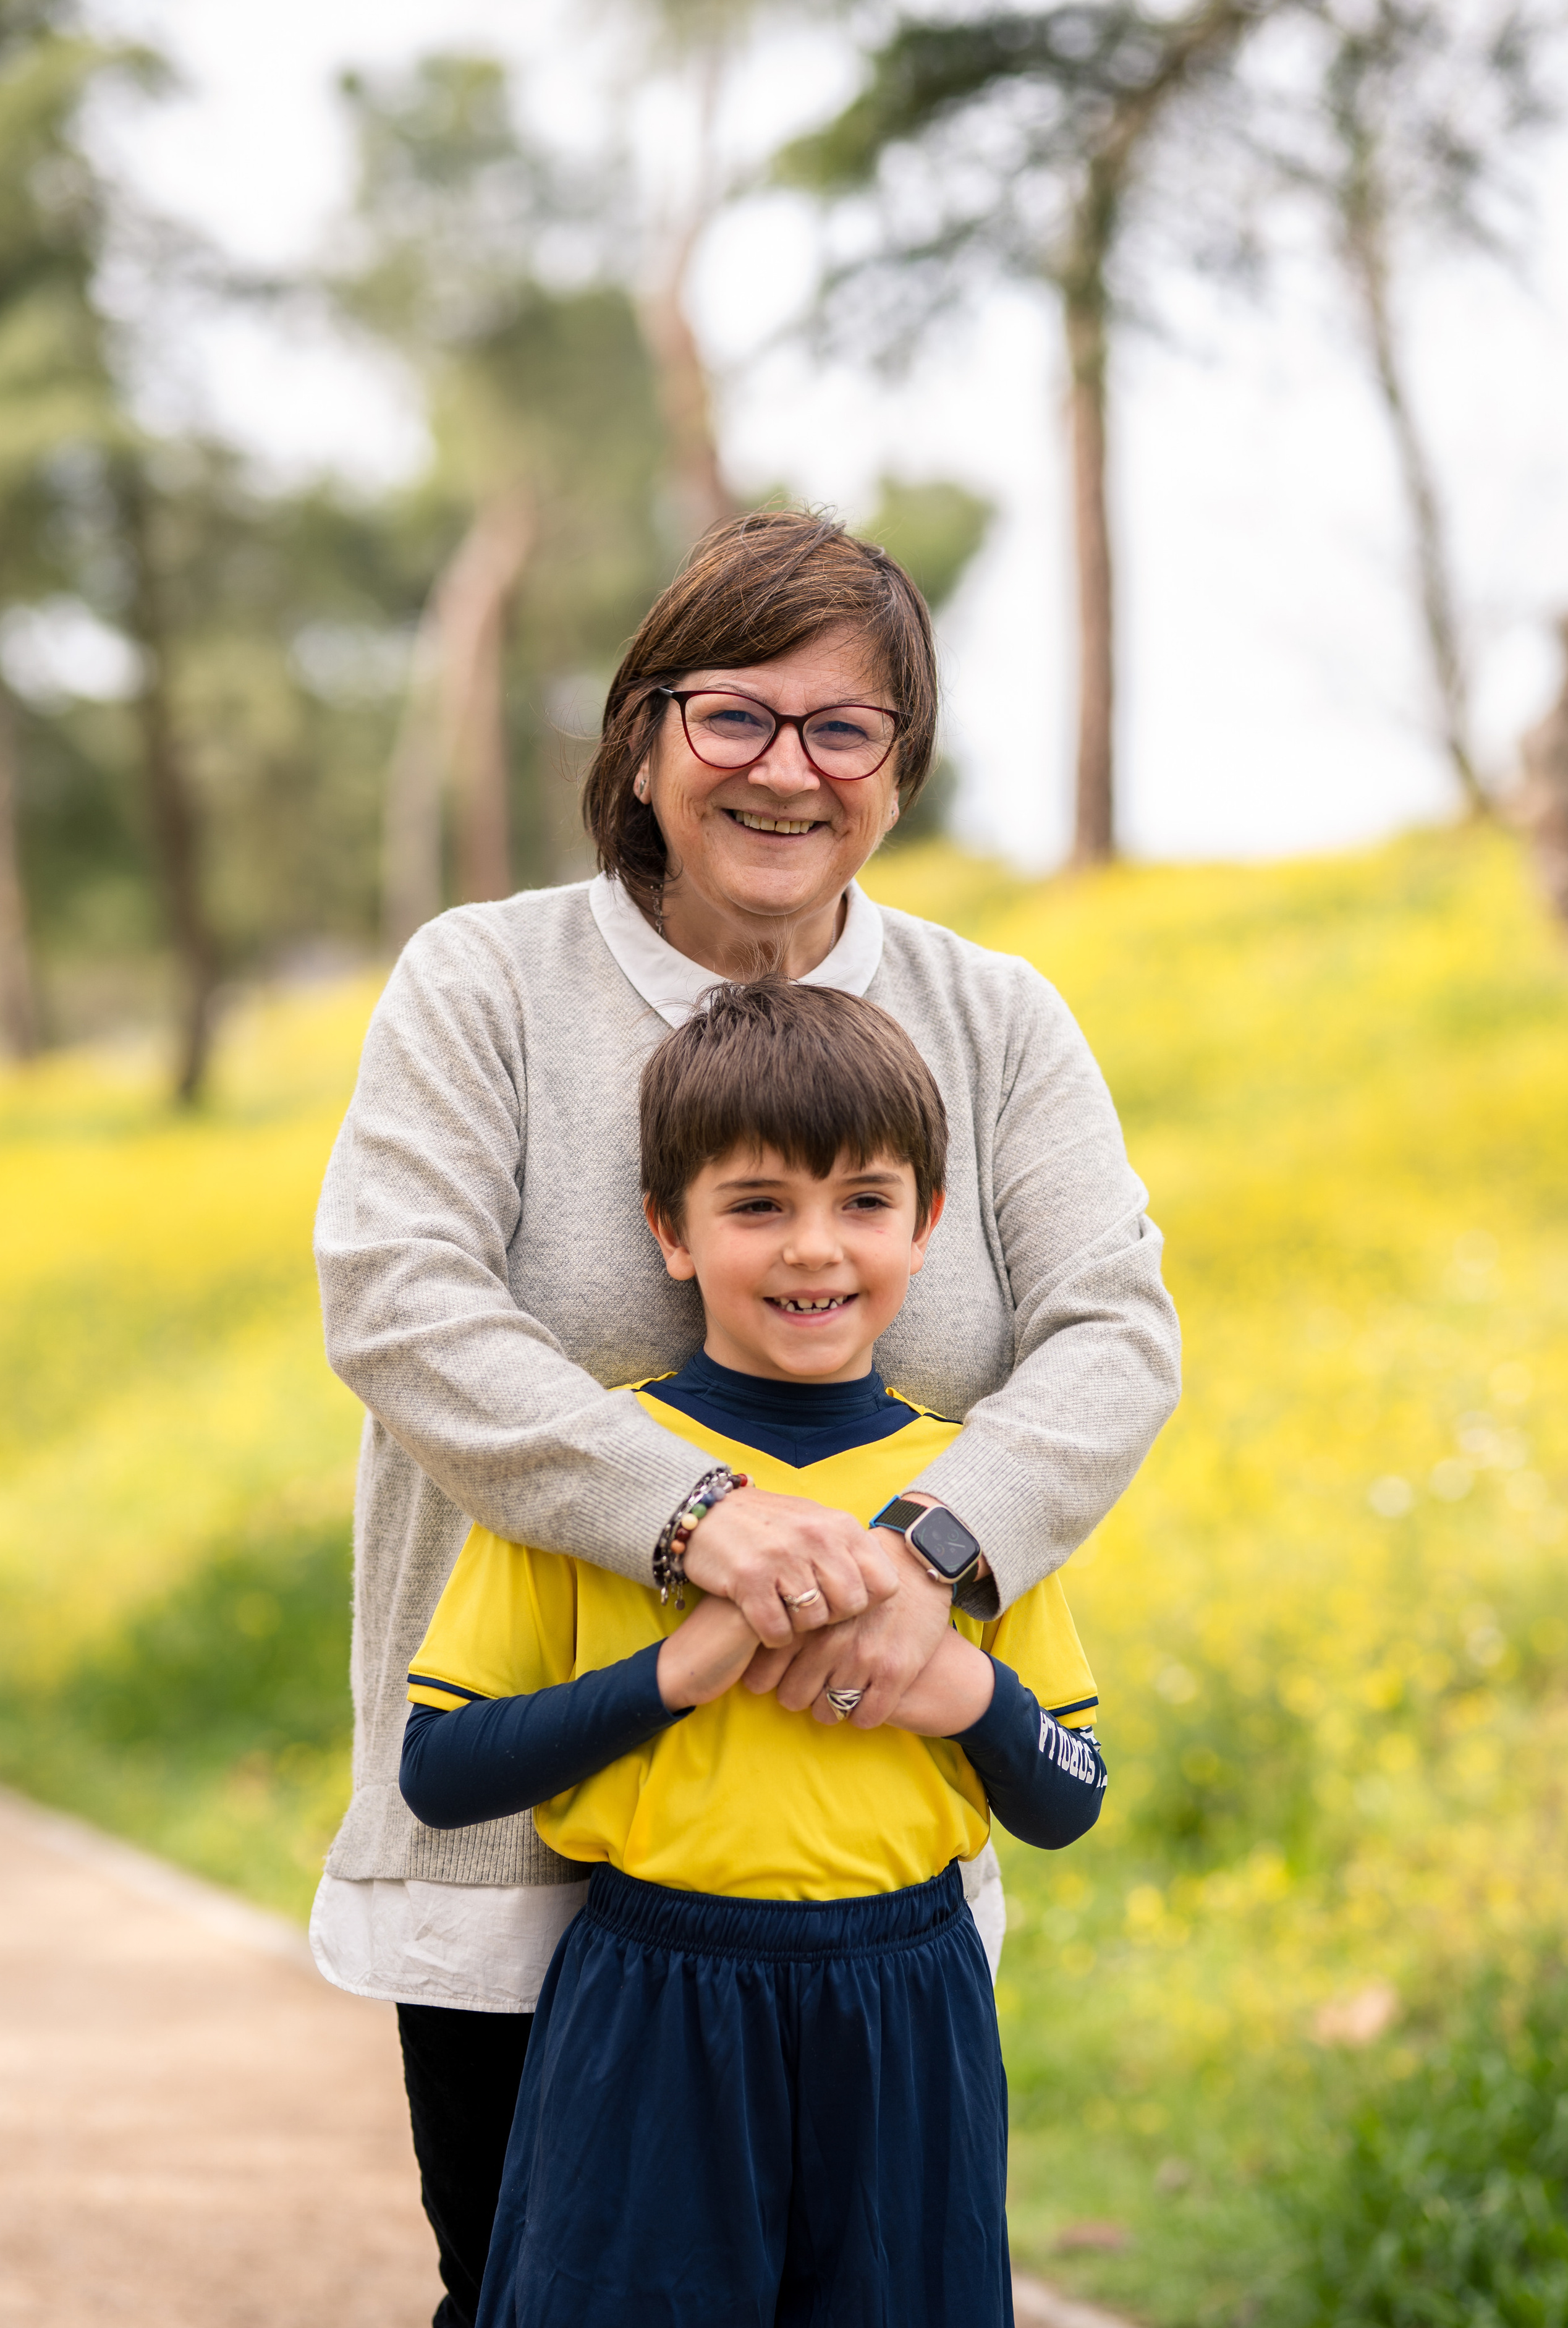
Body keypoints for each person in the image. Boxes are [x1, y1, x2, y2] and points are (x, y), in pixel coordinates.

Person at [310, 510, 1179, 2328]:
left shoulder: (996, 1020)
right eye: (735, 715)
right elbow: (401, 1297)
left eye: (844, 728)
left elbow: (1114, 1333)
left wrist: (929, 1560)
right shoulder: (485, 981)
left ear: (898, 768)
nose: (788, 769)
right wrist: (700, 1514)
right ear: (642, 736)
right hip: (521, 1860)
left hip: (856, 1877)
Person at [399, 979, 1108, 2328]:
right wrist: (685, 1661)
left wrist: (957, 1680)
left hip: (907, 1996)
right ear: (670, 1229)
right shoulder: (587, 1474)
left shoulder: (968, 1494)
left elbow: (1070, 1788)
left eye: (862, 1200)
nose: (812, 1249)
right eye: (756, 1204)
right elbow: (438, 1767)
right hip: (650, 1994)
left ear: (926, 1224)